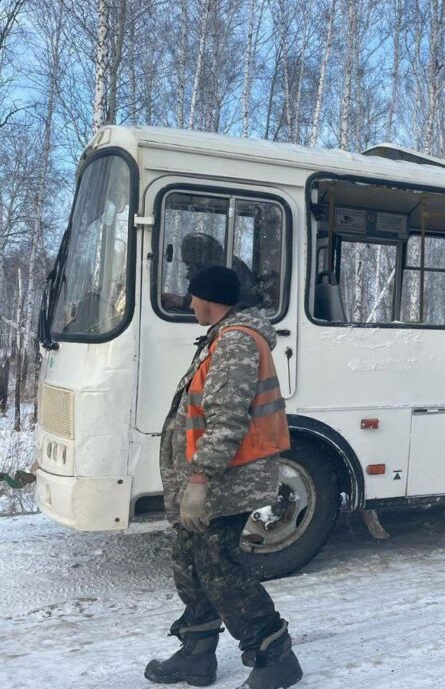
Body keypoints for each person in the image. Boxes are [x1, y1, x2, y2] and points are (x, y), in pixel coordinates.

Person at [146, 266, 302, 689]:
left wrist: (200, 480)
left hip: (225, 481)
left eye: (193, 297)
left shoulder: (235, 343)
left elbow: (228, 421)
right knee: (190, 563)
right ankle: (197, 654)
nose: (190, 304)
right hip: (207, 478)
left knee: (220, 569)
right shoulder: (220, 337)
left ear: (210, 298)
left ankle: (275, 655)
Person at [162, 232, 260, 312]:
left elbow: (216, 304)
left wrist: (183, 302)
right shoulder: (217, 264)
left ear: (199, 253)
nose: (189, 272)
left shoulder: (221, 270)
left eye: (190, 263)